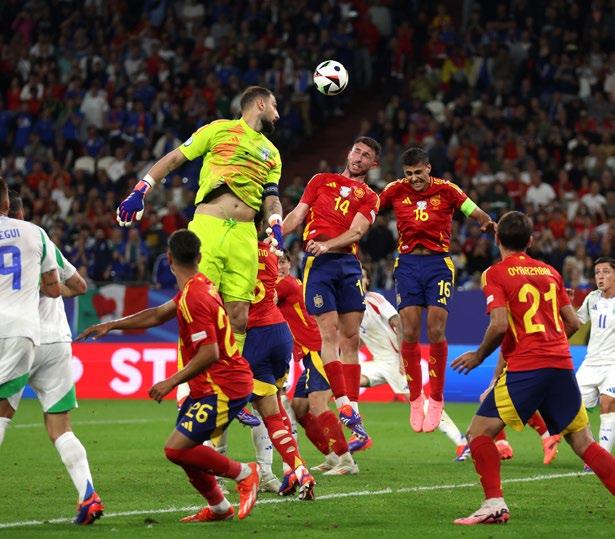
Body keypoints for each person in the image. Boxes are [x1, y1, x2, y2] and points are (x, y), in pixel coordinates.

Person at [77, 230, 260, 523]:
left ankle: (245, 473)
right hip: (210, 385)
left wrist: (171, 381)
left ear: (169, 258)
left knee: (176, 449)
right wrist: (112, 325)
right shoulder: (197, 286)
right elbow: (157, 315)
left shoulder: (195, 297)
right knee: (184, 449)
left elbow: (210, 352)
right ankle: (219, 507)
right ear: (199, 257)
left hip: (224, 385)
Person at [451, 211, 615, 525]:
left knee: (478, 433)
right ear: (530, 240)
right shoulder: (550, 272)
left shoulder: (495, 273)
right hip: (561, 366)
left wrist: (479, 356)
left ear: (497, 238)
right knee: (584, 443)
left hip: (528, 366)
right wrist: (550, 339)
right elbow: (573, 323)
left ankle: (494, 504)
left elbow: (499, 324)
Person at [116, 86, 284, 354]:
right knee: (197, 306)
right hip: (209, 227)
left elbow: (272, 197)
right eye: (275, 106)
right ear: (261, 105)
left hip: (245, 236)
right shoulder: (218, 130)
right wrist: (141, 190)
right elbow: (174, 158)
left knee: (239, 317)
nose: (278, 115)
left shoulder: (272, 153)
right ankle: (192, 378)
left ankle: (230, 377)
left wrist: (276, 221)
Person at [379, 147, 495, 433]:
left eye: (418, 172)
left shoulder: (447, 190)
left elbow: (473, 210)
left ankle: (436, 397)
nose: (414, 178)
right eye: (409, 174)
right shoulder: (395, 190)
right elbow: (368, 210)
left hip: (438, 264)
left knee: (435, 329)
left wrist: (486, 221)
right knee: (409, 331)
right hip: (407, 264)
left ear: (428, 168)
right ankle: (415, 398)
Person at [6, 191, 103, 525]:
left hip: (17, 338)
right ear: (21, 213)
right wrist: (48, 287)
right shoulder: (40, 239)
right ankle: (88, 494)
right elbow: (79, 285)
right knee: (60, 426)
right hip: (56, 341)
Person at [282, 136, 381, 441]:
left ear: (373, 164)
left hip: (348, 264)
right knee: (330, 333)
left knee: (351, 337)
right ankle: (343, 403)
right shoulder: (320, 180)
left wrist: (328, 244)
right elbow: (298, 215)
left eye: (366, 155)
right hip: (319, 265)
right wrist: (272, 235)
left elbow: (357, 232)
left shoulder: (370, 196)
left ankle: (353, 410)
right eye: (356, 151)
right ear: (348, 153)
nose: (359, 158)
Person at [358, 267, 469, 460]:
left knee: (421, 403)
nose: (359, 279)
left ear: (367, 281)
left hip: (395, 361)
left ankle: (462, 442)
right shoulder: (350, 309)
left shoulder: (374, 299)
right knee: (346, 381)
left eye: (362, 275)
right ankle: (356, 437)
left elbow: (398, 321)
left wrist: (404, 356)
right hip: (378, 363)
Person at [242, 228, 315, 500]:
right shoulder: (270, 252)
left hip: (255, 336)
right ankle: (297, 470)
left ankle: (238, 474)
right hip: (281, 334)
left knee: (261, 411)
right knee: (276, 407)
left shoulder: (236, 250)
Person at [276, 250, 358, 475]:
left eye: (282, 262)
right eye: (275, 263)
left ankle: (346, 460)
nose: (279, 267)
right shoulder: (292, 283)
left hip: (318, 350)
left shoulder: (285, 284)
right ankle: (332, 456)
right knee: (299, 407)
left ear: (290, 264)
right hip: (309, 353)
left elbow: (263, 300)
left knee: (317, 403)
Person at [0, 176, 60, 446]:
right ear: (7, 203)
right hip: (19, 330)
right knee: (2, 411)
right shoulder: (34, 233)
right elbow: (54, 288)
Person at [575, 257, 615, 461]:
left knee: (607, 403)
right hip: (591, 363)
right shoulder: (592, 298)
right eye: (597, 272)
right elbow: (576, 322)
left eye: (606, 272)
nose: (600, 276)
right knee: (574, 410)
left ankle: (602, 458)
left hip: (613, 363)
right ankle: (592, 452)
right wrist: (566, 305)